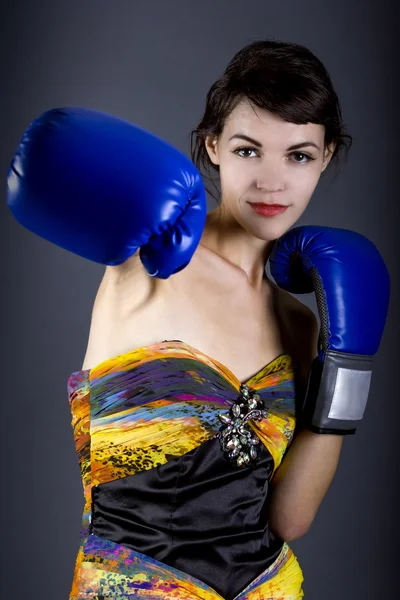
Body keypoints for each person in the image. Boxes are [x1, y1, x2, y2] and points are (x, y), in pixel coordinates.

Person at [7, 39, 390, 600]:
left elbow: (290, 519)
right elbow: (49, 159)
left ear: (327, 156)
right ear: (212, 146)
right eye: (247, 150)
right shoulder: (144, 263)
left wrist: (349, 367)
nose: (272, 182)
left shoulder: (306, 325)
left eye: (299, 155)